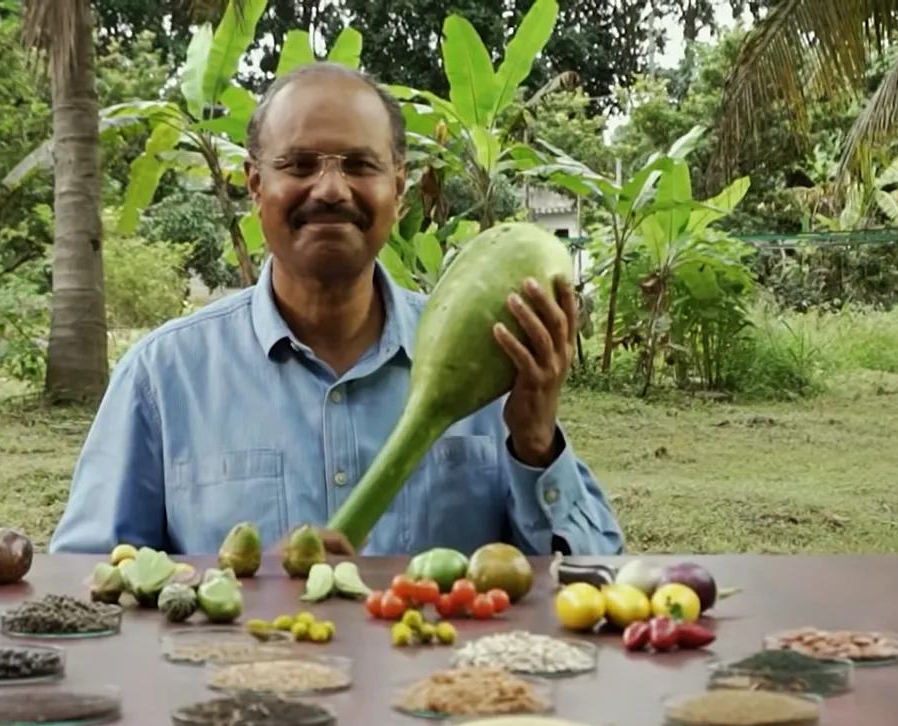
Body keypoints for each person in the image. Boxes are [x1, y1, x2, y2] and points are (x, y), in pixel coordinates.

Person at [49, 62, 623, 559]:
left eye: (358, 165)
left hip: (441, 686)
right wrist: (235, 589)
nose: (329, 188)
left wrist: (534, 441)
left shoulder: (492, 356)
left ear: (398, 187)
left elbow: (596, 580)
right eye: (299, 164)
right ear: (255, 184)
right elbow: (87, 590)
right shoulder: (162, 379)